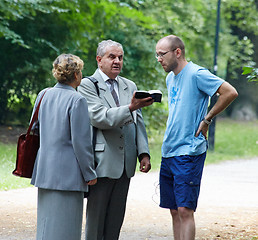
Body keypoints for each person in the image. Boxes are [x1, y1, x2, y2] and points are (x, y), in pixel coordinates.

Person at [155, 35, 238, 240]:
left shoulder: (196, 74)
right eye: (156, 55)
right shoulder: (170, 77)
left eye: (162, 54)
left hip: (189, 150)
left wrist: (208, 118)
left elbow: (230, 92)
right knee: (174, 210)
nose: (159, 59)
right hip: (169, 149)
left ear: (177, 52)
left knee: (185, 210)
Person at [78, 40, 154, 240]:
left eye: (120, 57)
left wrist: (143, 152)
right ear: (99, 59)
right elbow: (99, 117)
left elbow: (139, 122)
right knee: (95, 222)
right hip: (101, 162)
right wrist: (130, 108)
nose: (117, 61)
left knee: (115, 221)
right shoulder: (87, 85)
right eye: (112, 57)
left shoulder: (130, 85)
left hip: (126, 163)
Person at [30, 53, 97, 240]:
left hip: (44, 170)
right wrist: (89, 173)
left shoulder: (43, 95)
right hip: (68, 175)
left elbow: (35, 128)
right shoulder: (77, 100)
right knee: (66, 228)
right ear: (75, 75)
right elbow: (81, 142)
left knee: (46, 225)